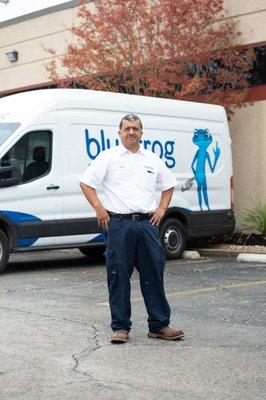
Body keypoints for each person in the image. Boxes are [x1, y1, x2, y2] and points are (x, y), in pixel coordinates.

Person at [79, 114, 184, 344]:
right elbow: (86, 183)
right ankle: (120, 328)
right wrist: (99, 208)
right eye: (127, 128)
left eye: (135, 128)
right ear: (119, 133)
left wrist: (162, 209)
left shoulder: (152, 159)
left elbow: (169, 184)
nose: (131, 132)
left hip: (147, 225)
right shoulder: (108, 157)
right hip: (118, 225)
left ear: (141, 133)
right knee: (118, 276)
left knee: (153, 274)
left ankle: (159, 325)